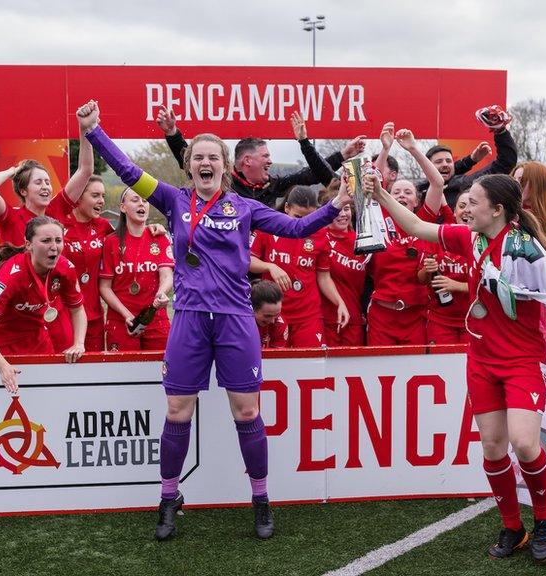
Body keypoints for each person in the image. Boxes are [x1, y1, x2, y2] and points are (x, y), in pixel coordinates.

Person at [80, 99, 351, 541]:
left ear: (225, 167)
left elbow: (297, 229)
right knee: (176, 411)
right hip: (188, 320)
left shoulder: (244, 208)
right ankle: (169, 498)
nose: (206, 163)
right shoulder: (171, 198)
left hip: (235, 321)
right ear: (189, 166)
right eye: (199, 157)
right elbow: (129, 172)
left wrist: (335, 203)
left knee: (247, 412)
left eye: (213, 157)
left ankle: (261, 500)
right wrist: (95, 132)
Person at [369, 170, 546, 563]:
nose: (465, 207)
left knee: (524, 443)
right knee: (492, 446)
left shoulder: (528, 251)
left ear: (497, 210)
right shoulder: (467, 237)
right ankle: (512, 527)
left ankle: (543, 519)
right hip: (481, 360)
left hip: (522, 361)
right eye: (465, 201)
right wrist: (381, 193)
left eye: (474, 202)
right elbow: (416, 224)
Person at [0, 104, 95, 351]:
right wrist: (15, 170)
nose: (46, 187)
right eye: (38, 182)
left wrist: (84, 129)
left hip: (56, 313)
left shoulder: (56, 210)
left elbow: (86, 170)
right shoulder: (9, 216)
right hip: (17, 318)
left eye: (48, 182)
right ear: (23, 190)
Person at [157, 106, 365, 205]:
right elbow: (190, 162)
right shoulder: (223, 183)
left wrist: (342, 155)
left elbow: (310, 175)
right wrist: (172, 133)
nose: (271, 161)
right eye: (265, 156)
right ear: (247, 161)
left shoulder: (272, 185)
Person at [0, 216, 87, 392]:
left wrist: (79, 343)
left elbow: (78, 310)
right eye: (46, 240)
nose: (54, 247)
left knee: (46, 396)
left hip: (37, 340)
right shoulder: (12, 275)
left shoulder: (65, 268)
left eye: (58, 240)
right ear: (28, 245)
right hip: (0, 345)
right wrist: (3, 367)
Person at [366, 127, 445, 345]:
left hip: (416, 314)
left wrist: (413, 149)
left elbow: (437, 183)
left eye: (408, 192)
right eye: (396, 192)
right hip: (382, 315)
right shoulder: (380, 217)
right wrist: (385, 148)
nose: (401, 195)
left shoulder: (424, 221)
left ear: (417, 200)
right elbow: (374, 181)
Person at [250, 186, 349, 347]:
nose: (304, 224)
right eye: (298, 217)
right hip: (274, 313)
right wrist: (269, 267)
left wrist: (339, 302)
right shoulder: (268, 228)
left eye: (309, 218)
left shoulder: (321, 234)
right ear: (287, 208)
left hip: (308, 315)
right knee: (273, 366)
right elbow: (248, 261)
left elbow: (323, 276)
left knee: (312, 367)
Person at [100, 188, 174, 351]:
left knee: (161, 373)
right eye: (135, 200)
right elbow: (104, 287)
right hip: (121, 321)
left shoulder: (159, 237)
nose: (141, 203)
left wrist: (161, 293)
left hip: (155, 319)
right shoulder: (111, 242)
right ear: (123, 207)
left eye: (145, 201)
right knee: (123, 374)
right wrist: (127, 315)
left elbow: (167, 275)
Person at [46, 175, 114, 351]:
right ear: (78, 197)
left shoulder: (104, 226)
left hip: (93, 316)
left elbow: (129, 240)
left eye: (103, 196)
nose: (101, 201)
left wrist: (152, 230)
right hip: (61, 314)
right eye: (95, 195)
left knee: (92, 373)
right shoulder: (58, 223)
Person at [417, 105, 518, 207]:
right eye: (438, 161)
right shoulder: (418, 191)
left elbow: (505, 162)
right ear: (426, 167)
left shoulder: (463, 184)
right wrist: (470, 160)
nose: (445, 164)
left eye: (449, 161)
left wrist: (500, 131)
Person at [418, 190, 471, 344]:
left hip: (473, 319)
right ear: (454, 212)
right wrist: (426, 270)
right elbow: (421, 279)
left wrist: (457, 285)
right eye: (462, 206)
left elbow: (489, 285)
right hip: (439, 319)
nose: (467, 210)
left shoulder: (484, 240)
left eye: (472, 205)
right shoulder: (439, 237)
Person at [319, 187, 369, 346]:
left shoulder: (362, 241)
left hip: (354, 318)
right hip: (324, 318)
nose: (342, 214)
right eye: (337, 209)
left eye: (346, 209)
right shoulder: (319, 238)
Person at [252, 280, 288, 349]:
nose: (272, 321)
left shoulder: (280, 324)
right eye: (267, 316)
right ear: (252, 309)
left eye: (277, 314)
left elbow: (276, 357)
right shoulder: (240, 324)